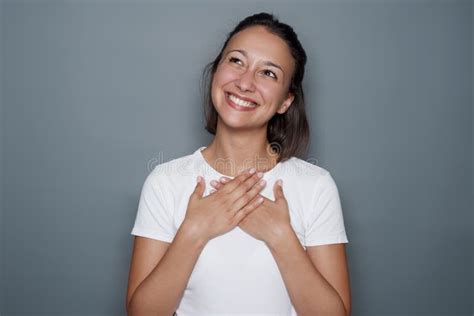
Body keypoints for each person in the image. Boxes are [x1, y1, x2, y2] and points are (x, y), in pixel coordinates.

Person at [126, 12, 351, 316]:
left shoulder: (315, 186)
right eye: (236, 61)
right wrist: (195, 230)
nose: (245, 82)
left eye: (268, 73)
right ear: (217, 70)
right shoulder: (165, 181)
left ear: (286, 101)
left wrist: (281, 236)